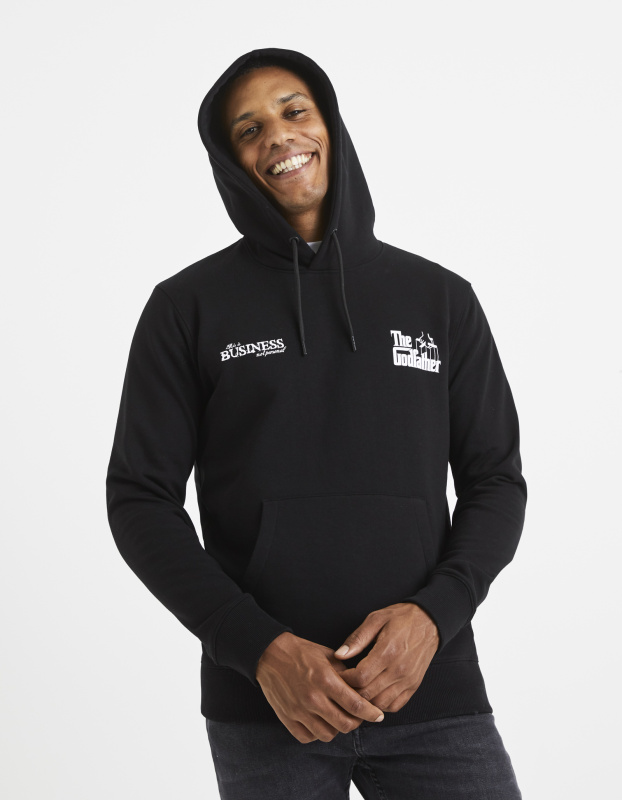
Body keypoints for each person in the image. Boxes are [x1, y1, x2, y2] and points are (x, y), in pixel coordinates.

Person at [106, 47, 527, 799]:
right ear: (231, 162)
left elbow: (496, 480)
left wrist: (435, 616)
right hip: (269, 707)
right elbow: (139, 498)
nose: (278, 134)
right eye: (249, 129)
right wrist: (259, 648)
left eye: (294, 110)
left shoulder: (440, 299)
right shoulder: (187, 307)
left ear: (329, 124)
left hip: (433, 694)